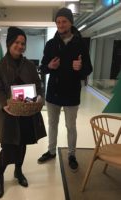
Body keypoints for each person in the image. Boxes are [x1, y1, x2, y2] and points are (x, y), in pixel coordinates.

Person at [0, 27, 47, 198]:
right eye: (17, 42)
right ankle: (0, 175)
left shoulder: (30, 65)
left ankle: (18, 171)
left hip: (26, 114)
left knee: (22, 144)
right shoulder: (0, 66)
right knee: (8, 147)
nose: (20, 46)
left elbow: (38, 87)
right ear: (10, 43)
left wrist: (39, 97)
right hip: (9, 114)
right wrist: (4, 104)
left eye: (23, 43)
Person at [37, 7, 93, 172]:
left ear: (71, 22)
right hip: (53, 92)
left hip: (71, 93)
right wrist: (49, 66)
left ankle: (72, 155)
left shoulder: (81, 43)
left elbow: (89, 69)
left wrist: (80, 67)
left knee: (71, 126)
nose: (61, 24)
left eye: (64, 21)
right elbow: (42, 68)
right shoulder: (50, 44)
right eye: (58, 22)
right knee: (52, 124)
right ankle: (51, 151)